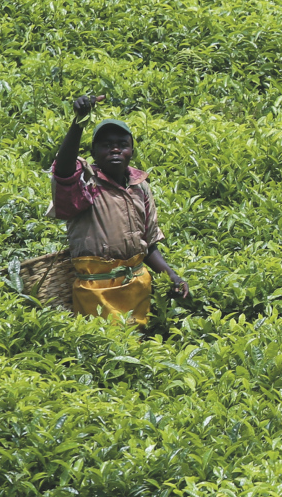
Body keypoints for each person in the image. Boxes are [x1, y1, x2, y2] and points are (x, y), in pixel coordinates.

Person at [47, 95, 189, 326]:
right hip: (95, 290)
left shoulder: (140, 187)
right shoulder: (85, 183)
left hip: (137, 288)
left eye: (122, 145)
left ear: (131, 151)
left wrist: (171, 275)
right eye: (106, 145)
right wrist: (79, 123)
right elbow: (63, 171)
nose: (115, 149)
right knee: (101, 342)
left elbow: (148, 243)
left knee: (139, 341)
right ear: (93, 152)